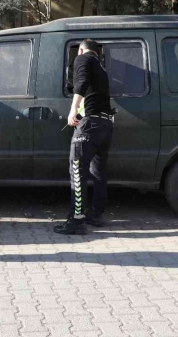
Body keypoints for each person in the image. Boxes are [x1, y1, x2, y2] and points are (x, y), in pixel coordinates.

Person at [54, 38, 114, 235]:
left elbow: (81, 83)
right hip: (105, 124)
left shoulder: (82, 59)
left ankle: (77, 220)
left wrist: (73, 111)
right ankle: (95, 214)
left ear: (81, 50)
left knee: (77, 171)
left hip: (89, 126)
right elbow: (95, 97)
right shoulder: (102, 69)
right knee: (98, 171)